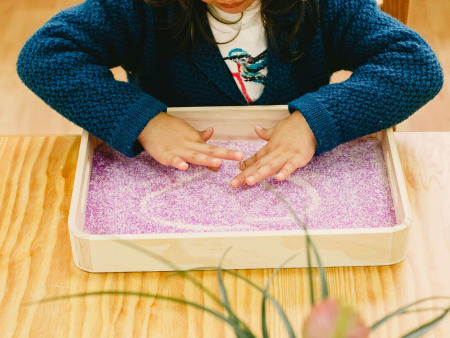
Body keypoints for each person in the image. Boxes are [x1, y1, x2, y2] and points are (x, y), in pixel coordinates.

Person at [17, 0, 443, 189]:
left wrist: (317, 121)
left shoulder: (326, 5)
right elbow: (44, 56)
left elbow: (415, 65)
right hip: (172, 181)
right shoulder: (138, 6)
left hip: (297, 183)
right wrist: (142, 119)